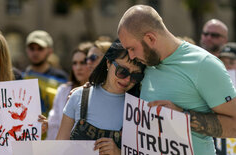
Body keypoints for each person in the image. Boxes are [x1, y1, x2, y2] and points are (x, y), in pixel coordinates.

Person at [117, 5, 236, 155]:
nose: (131, 56)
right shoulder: (145, 63)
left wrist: (180, 117)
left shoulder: (204, 64)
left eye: (132, 48)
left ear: (150, 38)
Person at [56, 40, 145, 155]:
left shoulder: (138, 109)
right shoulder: (79, 96)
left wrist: (119, 153)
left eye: (135, 76)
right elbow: (59, 147)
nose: (127, 80)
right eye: (122, 71)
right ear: (108, 63)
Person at [46, 45, 91, 140]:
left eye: (83, 62)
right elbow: (54, 125)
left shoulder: (99, 92)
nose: (78, 67)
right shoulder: (63, 90)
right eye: (75, 63)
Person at [23, 30, 68, 116]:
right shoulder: (20, 78)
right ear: (27, 50)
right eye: (32, 48)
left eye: (40, 49)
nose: (35, 53)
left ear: (50, 51)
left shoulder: (62, 78)